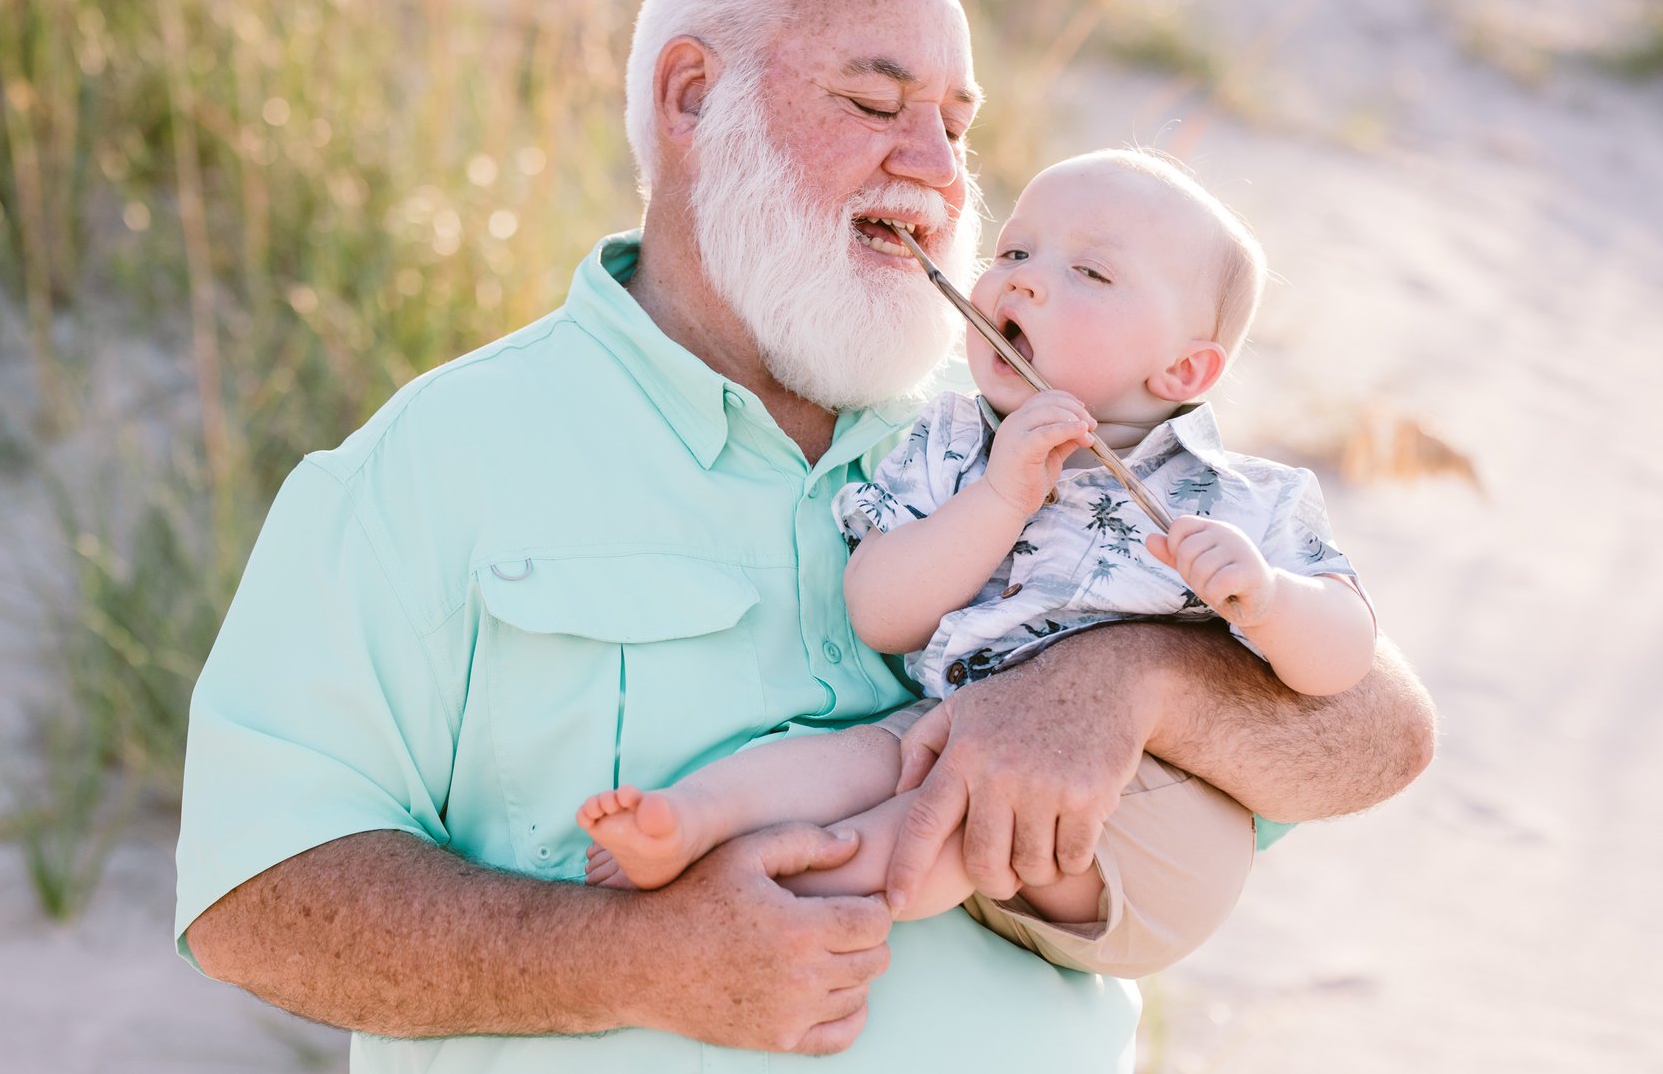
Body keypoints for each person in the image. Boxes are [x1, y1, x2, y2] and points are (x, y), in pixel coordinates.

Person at [174, 0, 1435, 1071]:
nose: (938, 168)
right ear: (691, 97)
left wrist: (1123, 676)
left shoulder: (1016, 430)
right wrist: (640, 961)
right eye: (875, 102)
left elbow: (1378, 741)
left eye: (956, 122)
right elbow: (257, 893)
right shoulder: (438, 459)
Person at [578, 148, 1378, 935]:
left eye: (1090, 274)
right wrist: (998, 496)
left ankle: (773, 883)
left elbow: (1345, 660)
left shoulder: (1243, 498)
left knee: (936, 837)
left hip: (1129, 804)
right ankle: (691, 817)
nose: (1022, 278)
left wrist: (1272, 602)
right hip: (948, 726)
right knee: (855, 757)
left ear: (1183, 372)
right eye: (1015, 252)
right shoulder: (956, 443)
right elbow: (880, 613)